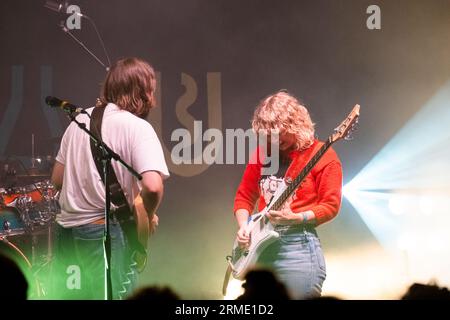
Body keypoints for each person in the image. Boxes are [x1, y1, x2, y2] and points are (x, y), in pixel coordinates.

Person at [50, 57, 169, 299]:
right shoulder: (137, 127)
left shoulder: (78, 121)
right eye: (151, 90)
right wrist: (148, 212)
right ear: (143, 92)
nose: (153, 98)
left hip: (67, 234)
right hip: (103, 235)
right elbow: (153, 187)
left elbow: (57, 179)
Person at [233, 91, 343, 299]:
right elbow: (244, 197)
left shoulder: (323, 155)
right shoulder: (262, 155)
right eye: (268, 135)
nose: (274, 139)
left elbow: (331, 205)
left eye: (279, 132)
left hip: (298, 249)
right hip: (261, 251)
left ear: (296, 125)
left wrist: (297, 217)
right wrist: (244, 226)